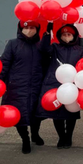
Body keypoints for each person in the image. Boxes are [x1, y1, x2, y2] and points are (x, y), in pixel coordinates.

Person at [36, 23, 83, 149]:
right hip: (55, 83)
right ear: (60, 36)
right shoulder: (55, 47)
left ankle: (68, 137)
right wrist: (47, 34)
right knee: (57, 113)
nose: (66, 37)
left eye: (69, 34)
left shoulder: (80, 50)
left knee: (71, 112)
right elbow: (43, 49)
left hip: (73, 85)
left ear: (74, 36)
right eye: (64, 35)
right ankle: (61, 137)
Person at [0, 21, 45, 154]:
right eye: (26, 27)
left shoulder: (40, 45)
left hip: (36, 86)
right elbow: (5, 64)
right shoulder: (13, 44)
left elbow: (46, 64)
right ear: (20, 29)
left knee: (35, 114)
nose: (29, 30)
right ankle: (25, 139)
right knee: (19, 116)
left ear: (37, 30)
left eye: (32, 28)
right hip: (16, 87)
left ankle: (35, 134)